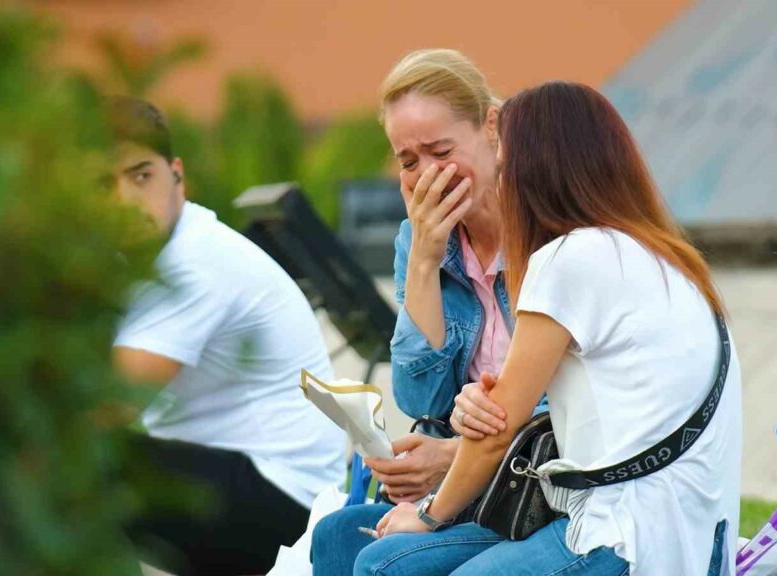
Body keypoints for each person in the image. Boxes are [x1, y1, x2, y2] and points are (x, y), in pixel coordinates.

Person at [363, 81, 744, 576]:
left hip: (623, 538)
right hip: (688, 535)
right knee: (376, 556)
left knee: (387, 565)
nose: (498, 184)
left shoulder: (568, 259)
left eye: (504, 168)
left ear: (536, 173)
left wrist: (429, 515)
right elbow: (484, 407)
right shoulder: (659, 254)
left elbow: (497, 432)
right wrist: (482, 405)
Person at [106, 96, 346, 575]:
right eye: (101, 184)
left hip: (285, 503)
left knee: (80, 466)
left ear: (176, 174)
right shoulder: (133, 258)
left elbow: (108, 404)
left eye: (141, 175)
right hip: (233, 475)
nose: (126, 199)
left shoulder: (195, 262)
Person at [310, 48, 523, 575]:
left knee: (386, 558)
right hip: (473, 483)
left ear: (491, 127)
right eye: (408, 162)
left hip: (532, 482)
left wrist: (450, 458)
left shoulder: (543, 229)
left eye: (440, 150)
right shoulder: (420, 241)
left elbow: (561, 407)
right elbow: (421, 398)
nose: (426, 175)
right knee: (336, 534)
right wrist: (425, 261)